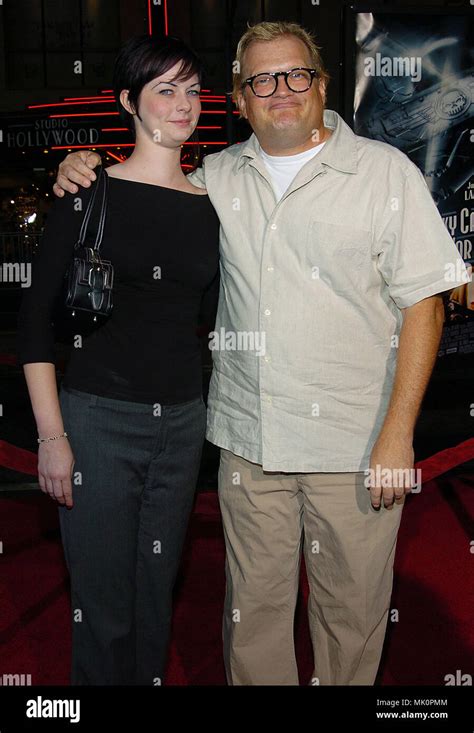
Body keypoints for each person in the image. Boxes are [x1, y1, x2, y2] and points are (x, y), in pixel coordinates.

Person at [53, 21, 469, 686]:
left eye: (297, 74)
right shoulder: (216, 178)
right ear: (240, 100)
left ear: (321, 84)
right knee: (253, 621)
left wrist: (398, 434)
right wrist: (82, 168)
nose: (282, 90)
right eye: (262, 80)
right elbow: (145, 188)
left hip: (354, 444)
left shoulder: (384, 173)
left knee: (350, 619)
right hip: (249, 443)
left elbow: (425, 302)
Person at [17, 34, 219, 685]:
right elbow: (32, 326)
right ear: (130, 101)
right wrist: (52, 437)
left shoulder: (213, 203)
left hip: (183, 426)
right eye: (166, 88)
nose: (183, 102)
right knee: (101, 606)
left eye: (192, 88)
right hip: (98, 422)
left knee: (155, 595)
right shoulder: (86, 195)